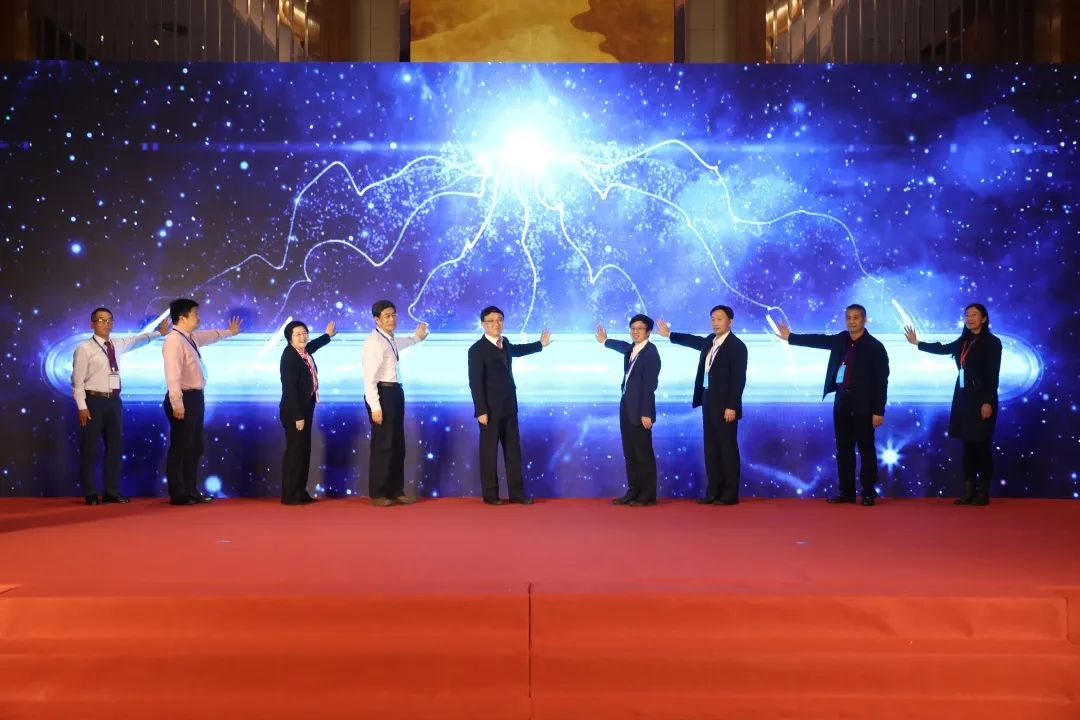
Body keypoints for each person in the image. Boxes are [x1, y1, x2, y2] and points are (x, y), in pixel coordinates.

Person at [775, 304, 889, 506]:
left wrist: (878, 411)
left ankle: (868, 493)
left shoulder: (875, 347)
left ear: (864, 320)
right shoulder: (841, 339)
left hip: (864, 405)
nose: (851, 321)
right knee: (843, 449)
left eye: (856, 317)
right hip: (842, 400)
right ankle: (846, 492)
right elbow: (819, 340)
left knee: (866, 449)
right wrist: (791, 337)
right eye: (848, 317)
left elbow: (882, 382)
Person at [904, 304, 1001, 505]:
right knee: (967, 446)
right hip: (963, 397)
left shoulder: (992, 342)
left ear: (984, 318)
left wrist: (987, 401)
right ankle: (969, 491)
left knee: (981, 446)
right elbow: (943, 348)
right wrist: (917, 343)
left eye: (974, 315)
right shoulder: (964, 341)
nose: (969, 318)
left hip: (981, 398)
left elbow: (993, 375)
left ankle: (983, 492)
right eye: (967, 315)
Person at [71, 308, 168, 505]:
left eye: (109, 320)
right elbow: (77, 382)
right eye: (101, 320)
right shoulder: (84, 348)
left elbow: (138, 340)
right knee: (90, 448)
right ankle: (90, 493)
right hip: (93, 401)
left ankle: (111, 491)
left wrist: (159, 333)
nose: (106, 324)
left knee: (114, 448)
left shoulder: (117, 343)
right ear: (92, 324)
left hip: (114, 402)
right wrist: (82, 406)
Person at [657, 305, 747, 505]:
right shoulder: (710, 341)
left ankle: (730, 494)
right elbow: (692, 341)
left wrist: (732, 405)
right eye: (713, 319)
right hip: (708, 399)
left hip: (726, 405)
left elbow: (739, 379)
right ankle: (713, 491)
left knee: (727, 449)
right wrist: (669, 334)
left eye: (720, 319)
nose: (715, 323)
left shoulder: (737, 346)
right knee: (711, 448)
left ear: (730, 321)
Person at [467, 306, 551, 505]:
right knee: (489, 453)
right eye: (491, 321)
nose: (496, 324)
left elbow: (518, 351)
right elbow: (475, 382)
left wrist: (540, 344)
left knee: (513, 451)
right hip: (489, 410)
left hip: (509, 407)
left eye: (500, 320)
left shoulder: (504, 343)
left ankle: (517, 493)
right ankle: (491, 495)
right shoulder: (477, 349)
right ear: (483, 324)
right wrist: (481, 410)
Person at [162, 299, 241, 505]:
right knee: (180, 447)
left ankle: (191, 490)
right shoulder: (174, 341)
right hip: (183, 398)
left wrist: (230, 332)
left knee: (195, 446)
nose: (199, 317)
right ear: (182, 317)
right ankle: (178, 494)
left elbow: (210, 335)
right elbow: (172, 376)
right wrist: (177, 404)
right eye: (195, 314)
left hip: (195, 398)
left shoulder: (190, 337)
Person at [361, 300, 428, 506]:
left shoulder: (388, 339)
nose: (392, 319)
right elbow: (369, 379)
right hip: (382, 394)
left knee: (397, 444)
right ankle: (379, 493)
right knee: (384, 445)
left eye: (394, 315)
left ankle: (396, 490)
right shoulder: (374, 342)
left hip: (395, 393)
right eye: (387, 316)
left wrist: (417, 338)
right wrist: (375, 406)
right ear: (377, 319)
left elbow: (402, 343)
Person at [596, 315, 661, 506]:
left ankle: (647, 495)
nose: (635, 332)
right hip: (627, 408)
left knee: (643, 454)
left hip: (641, 412)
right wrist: (605, 341)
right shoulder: (632, 349)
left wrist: (647, 413)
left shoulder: (651, 353)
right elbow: (622, 346)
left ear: (648, 332)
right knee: (630, 453)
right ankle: (634, 491)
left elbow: (650, 386)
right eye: (633, 328)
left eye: (639, 329)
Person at [279, 319, 337, 505]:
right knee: (296, 452)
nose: (303, 337)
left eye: (305, 333)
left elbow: (313, 345)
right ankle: (290, 495)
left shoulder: (303, 352)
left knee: (304, 451)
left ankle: (300, 491)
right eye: (298, 334)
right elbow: (290, 390)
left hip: (306, 406)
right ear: (289, 338)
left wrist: (327, 335)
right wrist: (298, 416)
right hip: (294, 411)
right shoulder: (290, 357)